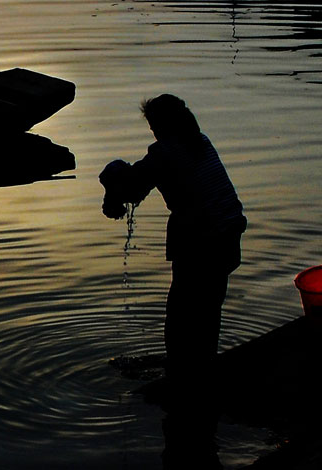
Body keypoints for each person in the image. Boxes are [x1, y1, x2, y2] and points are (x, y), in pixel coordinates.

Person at [100, 94, 246, 394]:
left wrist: (110, 189)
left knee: (180, 312)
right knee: (207, 309)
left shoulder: (166, 152)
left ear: (166, 125)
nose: (153, 131)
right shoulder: (200, 142)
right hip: (229, 233)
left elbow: (131, 184)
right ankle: (201, 366)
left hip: (206, 238)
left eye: (155, 125)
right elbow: (140, 183)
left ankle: (182, 376)